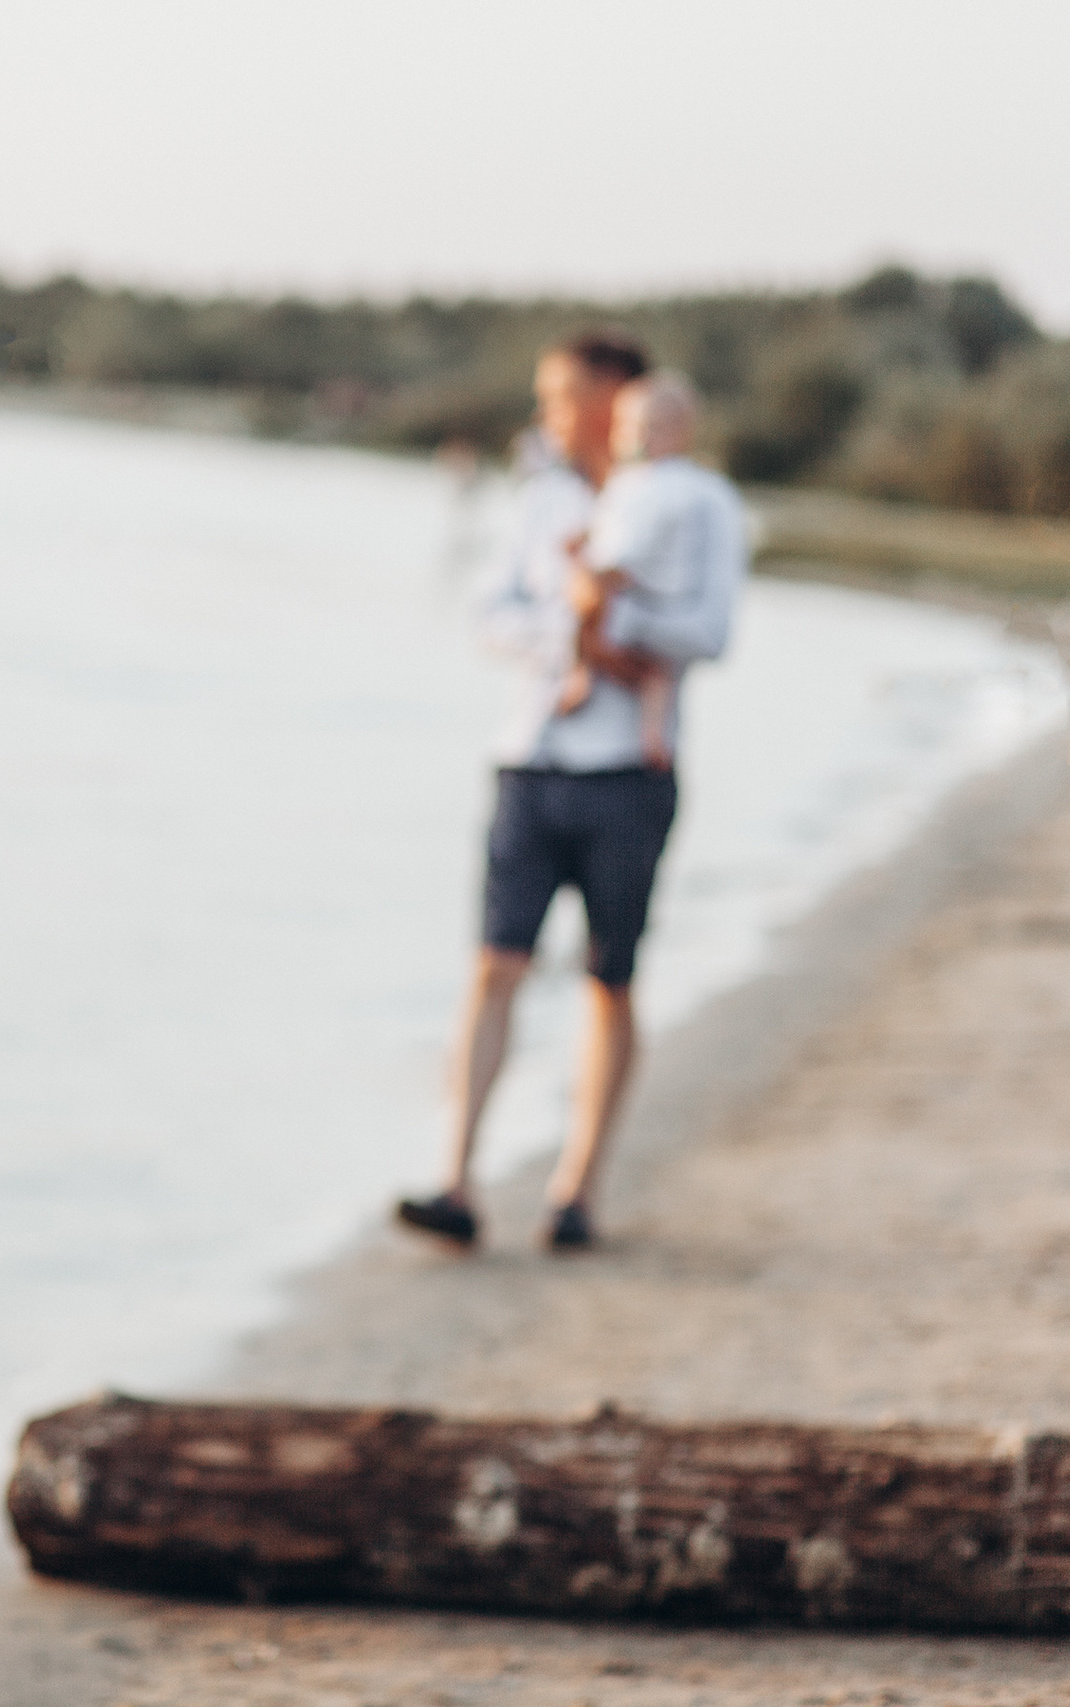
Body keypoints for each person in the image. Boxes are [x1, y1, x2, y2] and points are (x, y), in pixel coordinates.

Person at [393, 332, 742, 1253]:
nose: (546, 412)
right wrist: (570, 632)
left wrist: (623, 633)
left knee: (608, 980)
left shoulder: (698, 502)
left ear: (616, 398)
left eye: (561, 395)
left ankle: (576, 1189)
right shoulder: (541, 498)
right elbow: (488, 613)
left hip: (633, 769)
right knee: (493, 964)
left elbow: (711, 630)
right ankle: (456, 1181)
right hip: (532, 756)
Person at [556, 372, 733, 770]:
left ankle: (646, 732)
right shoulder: (630, 483)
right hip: (638, 590)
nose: (639, 438)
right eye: (632, 428)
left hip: (640, 588)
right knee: (637, 663)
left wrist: (601, 568)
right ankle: (603, 697)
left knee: (645, 666)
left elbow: (628, 543)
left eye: (651, 429)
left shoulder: (679, 488)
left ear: (682, 433)